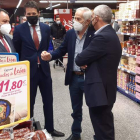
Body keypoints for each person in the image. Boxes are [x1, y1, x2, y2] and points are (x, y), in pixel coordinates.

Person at [41, 7, 95, 140]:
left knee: (95, 109)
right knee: (76, 110)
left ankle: (99, 135)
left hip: (90, 78)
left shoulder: (95, 34)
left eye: (78, 19)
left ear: (87, 21)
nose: (74, 21)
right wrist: (50, 56)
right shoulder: (71, 33)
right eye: (74, 18)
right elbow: (61, 50)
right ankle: (76, 134)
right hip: (74, 77)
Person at [13, 1, 64, 137]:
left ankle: (50, 128)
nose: (31, 16)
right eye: (29, 14)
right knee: (29, 103)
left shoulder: (46, 28)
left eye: (33, 14)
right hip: (28, 72)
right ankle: (26, 130)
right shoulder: (19, 29)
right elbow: (17, 50)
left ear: (38, 14)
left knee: (48, 100)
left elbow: (46, 46)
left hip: (45, 70)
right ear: (25, 14)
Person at [75, 5, 122, 140]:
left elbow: (80, 59)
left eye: (92, 17)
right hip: (106, 89)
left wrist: (86, 61)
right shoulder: (111, 34)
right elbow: (101, 59)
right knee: (105, 125)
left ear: (96, 18)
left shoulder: (102, 37)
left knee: (102, 128)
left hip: (100, 92)